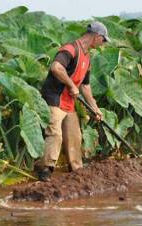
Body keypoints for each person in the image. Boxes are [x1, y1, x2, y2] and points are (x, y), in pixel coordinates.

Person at [35, 21, 110, 182]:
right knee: (55, 134)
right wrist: (70, 84)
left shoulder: (87, 58)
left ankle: (76, 171)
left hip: (69, 103)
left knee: (75, 136)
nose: (103, 44)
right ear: (97, 37)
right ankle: (45, 170)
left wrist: (95, 108)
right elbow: (56, 67)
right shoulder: (70, 49)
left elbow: (86, 87)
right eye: (103, 40)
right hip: (54, 99)